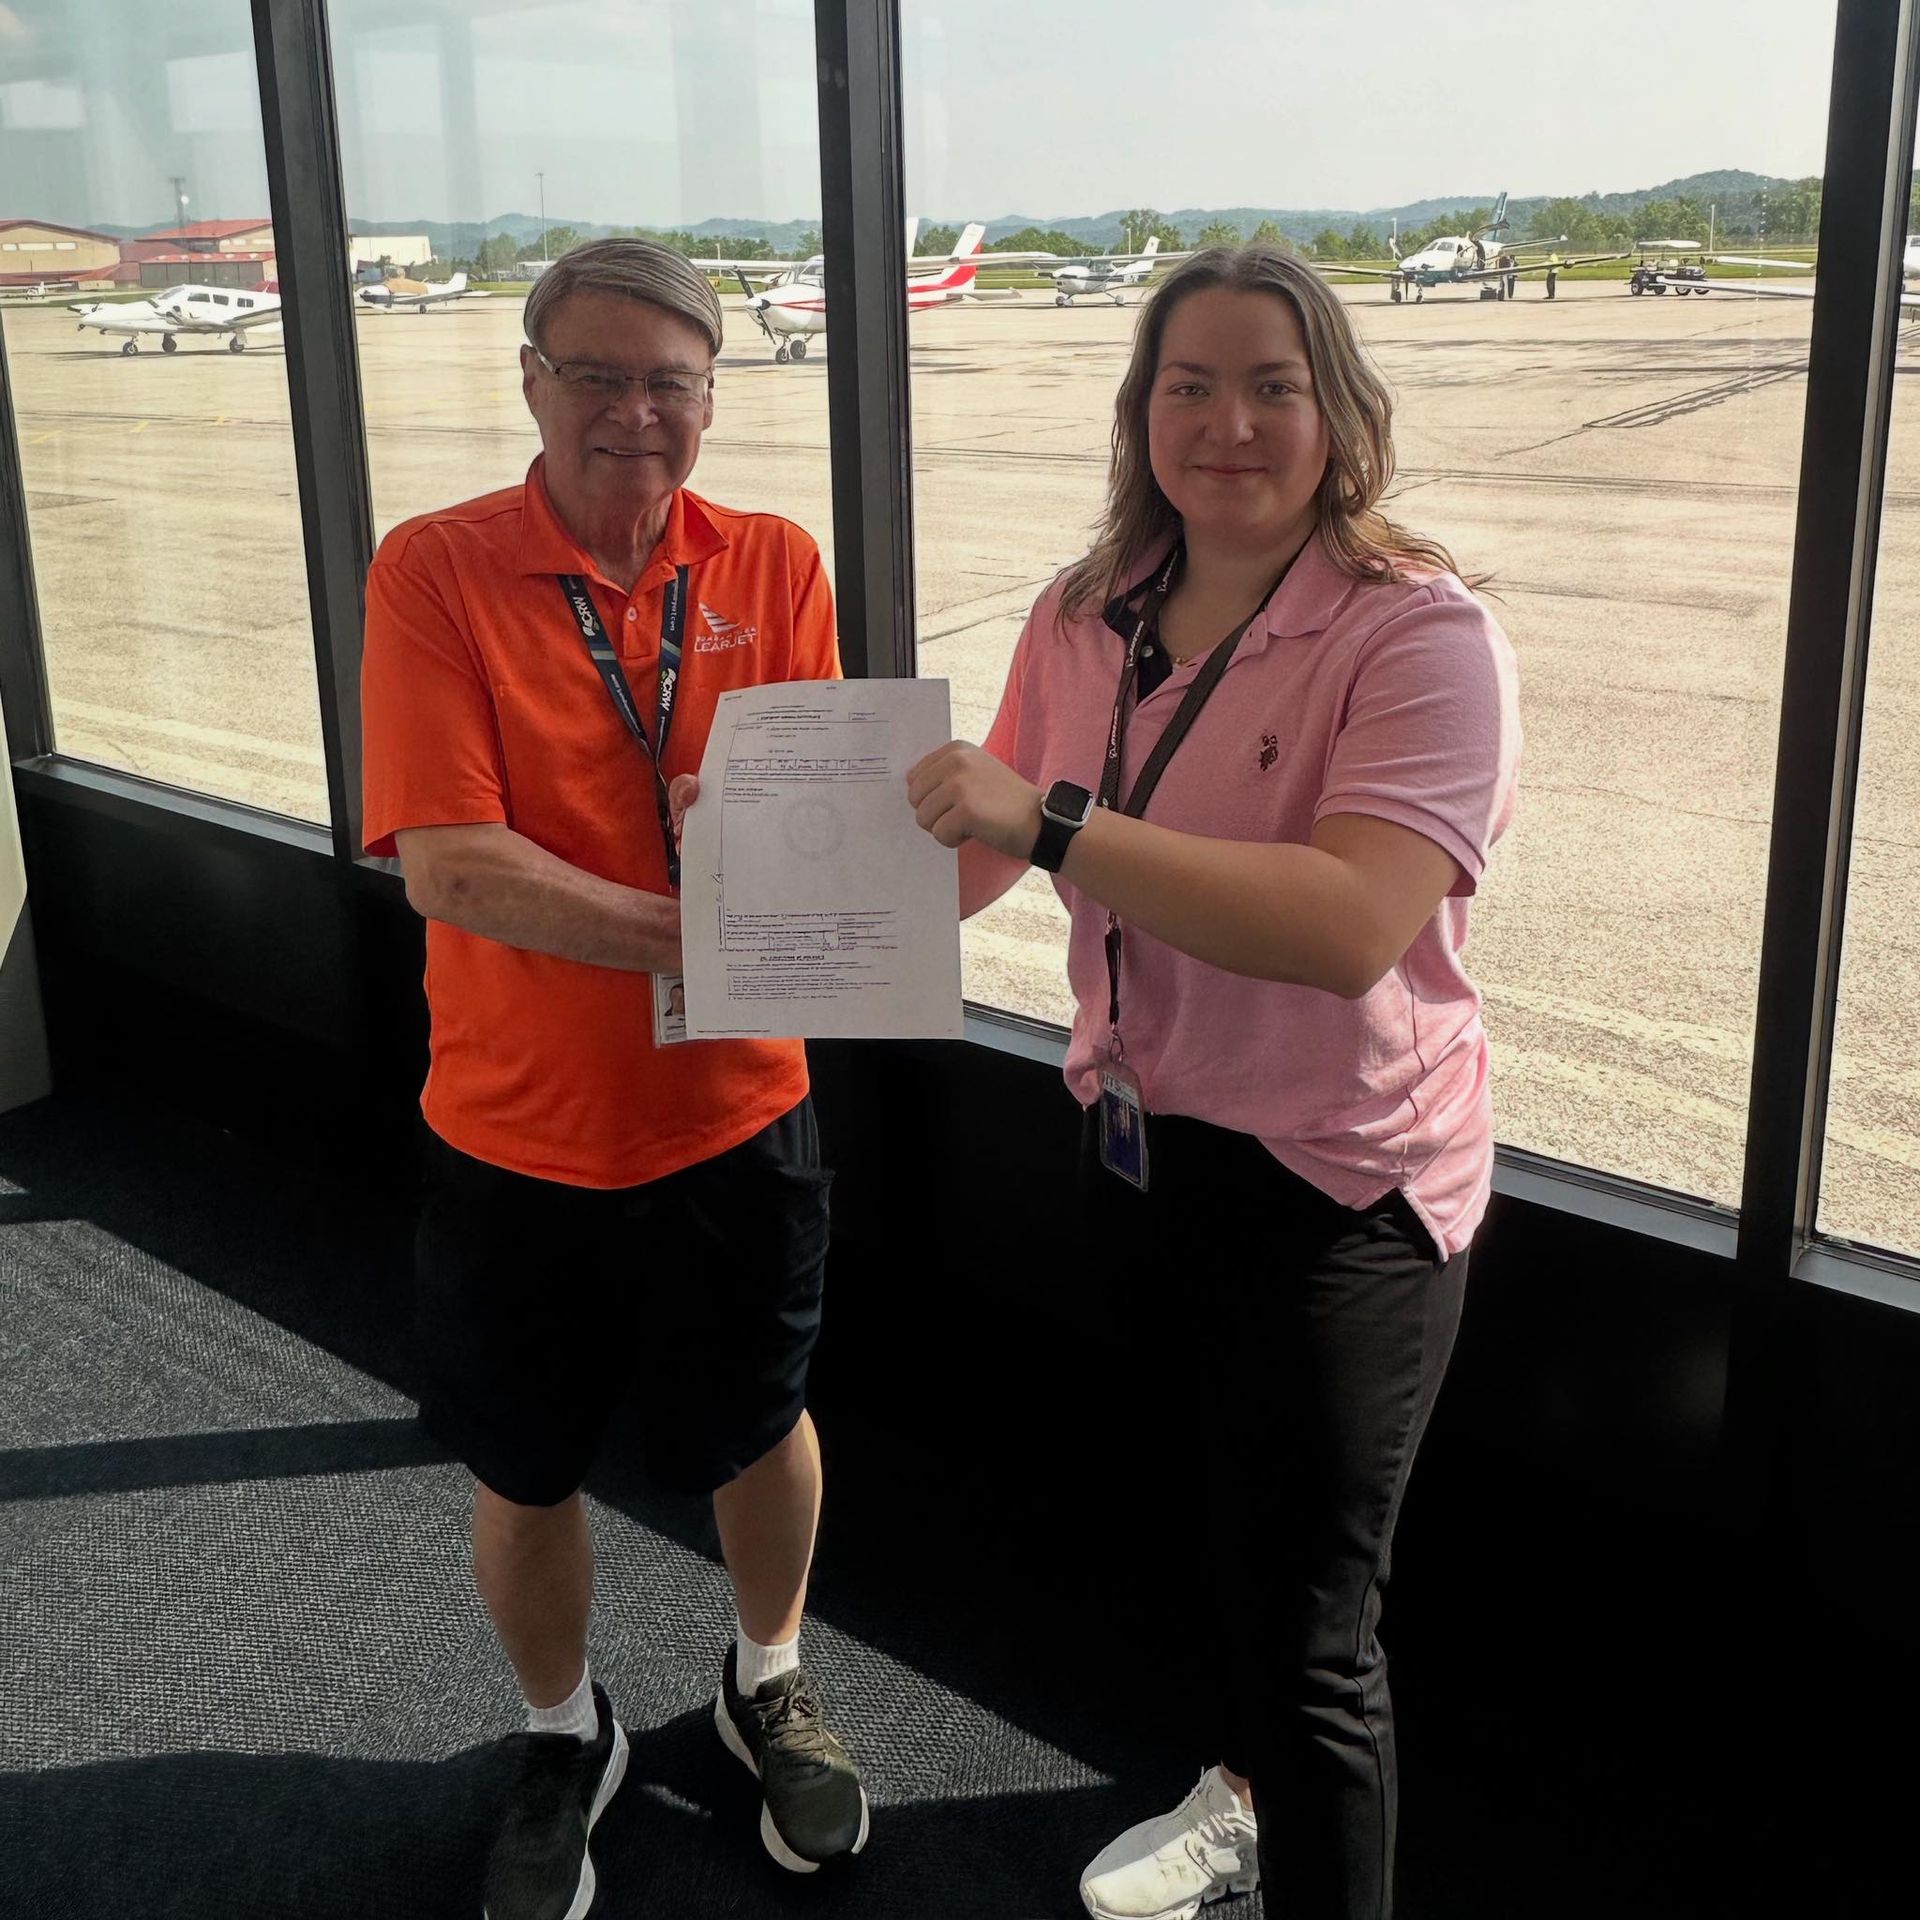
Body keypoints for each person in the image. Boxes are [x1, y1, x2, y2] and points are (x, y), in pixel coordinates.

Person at [907, 244, 1521, 1920]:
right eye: (1189, 384)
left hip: (1343, 1187)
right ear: (1141, 411)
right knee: (1215, 1546)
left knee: (1317, 1638)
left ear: (1338, 413)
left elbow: (1345, 926)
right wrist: (762, 877)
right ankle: (1236, 1797)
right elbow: (975, 859)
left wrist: (1041, 823)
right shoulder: (1086, 610)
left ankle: (1294, 1824)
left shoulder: (1419, 634)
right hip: (1143, 1149)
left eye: (1271, 384)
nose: (1228, 422)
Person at [360, 239, 866, 1920]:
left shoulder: (776, 560)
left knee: (763, 1422)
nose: (634, 415)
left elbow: (816, 823)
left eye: (670, 382)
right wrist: (708, 941)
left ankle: (765, 1676)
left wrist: (846, 906)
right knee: (525, 1469)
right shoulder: (433, 572)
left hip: (737, 1112)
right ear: (530, 383)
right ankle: (567, 1731)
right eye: (595, 376)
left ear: (713, 398)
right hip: (518, 1132)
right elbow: (452, 867)